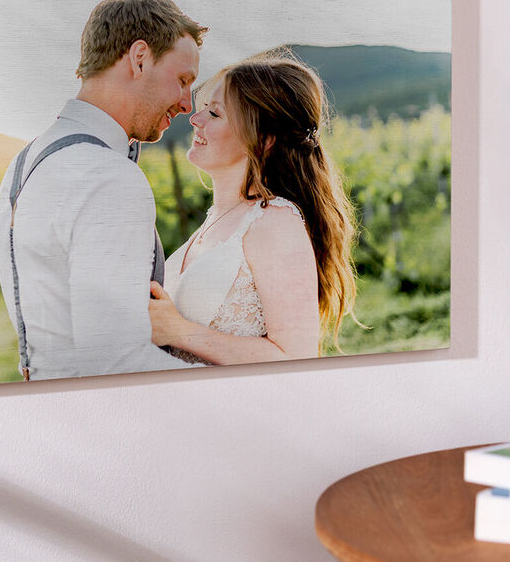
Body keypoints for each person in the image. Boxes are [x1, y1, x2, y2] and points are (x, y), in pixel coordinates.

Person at [0, 0, 206, 380]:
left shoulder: (25, 163)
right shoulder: (106, 176)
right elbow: (117, 363)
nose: (187, 104)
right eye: (182, 80)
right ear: (139, 58)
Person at [148, 55, 358, 365]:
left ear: (263, 139)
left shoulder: (274, 222)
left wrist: (179, 331)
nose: (195, 118)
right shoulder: (217, 219)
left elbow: (296, 357)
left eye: (215, 113)